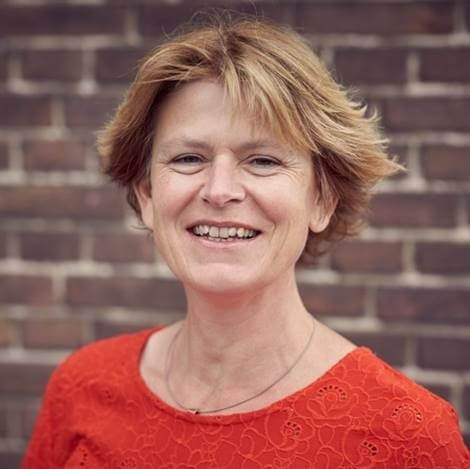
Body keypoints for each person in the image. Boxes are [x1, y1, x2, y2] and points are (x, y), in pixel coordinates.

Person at [22, 14, 469, 469]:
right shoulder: (80, 388)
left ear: (322, 200)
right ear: (148, 195)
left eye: (262, 160)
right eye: (189, 158)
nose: (219, 191)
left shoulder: (409, 438)